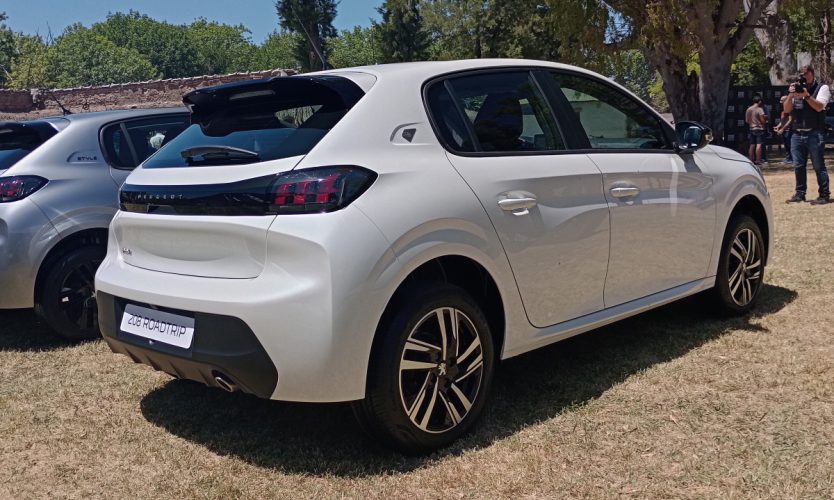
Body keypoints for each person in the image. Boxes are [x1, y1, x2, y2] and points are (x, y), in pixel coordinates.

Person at [784, 64, 831, 205]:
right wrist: (791, 94)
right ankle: (800, 194)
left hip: (814, 132)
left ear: (812, 73)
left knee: (818, 165)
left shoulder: (822, 88)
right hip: (797, 133)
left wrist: (806, 95)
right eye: (801, 74)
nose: (803, 77)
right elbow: (786, 109)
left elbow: (819, 107)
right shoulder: (796, 88)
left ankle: (824, 195)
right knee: (798, 165)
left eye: (805, 74)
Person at [745, 94, 767, 165]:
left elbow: (747, 121)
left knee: (752, 145)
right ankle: (758, 160)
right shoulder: (759, 109)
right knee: (759, 145)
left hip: (751, 128)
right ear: (759, 101)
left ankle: (751, 160)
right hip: (759, 129)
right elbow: (762, 120)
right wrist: (765, 121)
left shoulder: (748, 109)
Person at [774, 95, 793, 163]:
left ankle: (792, 158)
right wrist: (778, 126)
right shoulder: (783, 110)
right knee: (786, 145)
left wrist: (783, 128)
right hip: (784, 130)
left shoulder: (790, 109)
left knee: (790, 145)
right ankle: (788, 158)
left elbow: (790, 120)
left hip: (789, 130)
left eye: (782, 100)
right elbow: (783, 120)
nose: (780, 102)